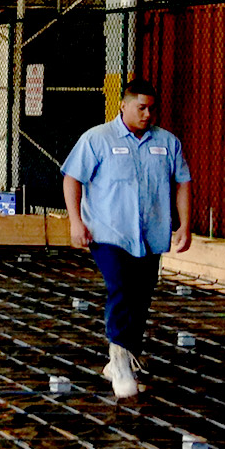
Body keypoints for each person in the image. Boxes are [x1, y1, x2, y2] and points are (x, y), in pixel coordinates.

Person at [61, 79, 192, 398]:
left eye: (151, 108)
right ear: (123, 105)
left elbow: (183, 183)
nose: (147, 114)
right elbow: (72, 178)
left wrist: (184, 225)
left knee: (141, 295)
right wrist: (75, 222)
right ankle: (118, 358)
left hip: (150, 235)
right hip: (108, 233)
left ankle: (127, 351)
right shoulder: (97, 139)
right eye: (141, 108)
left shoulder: (167, 143)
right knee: (120, 288)